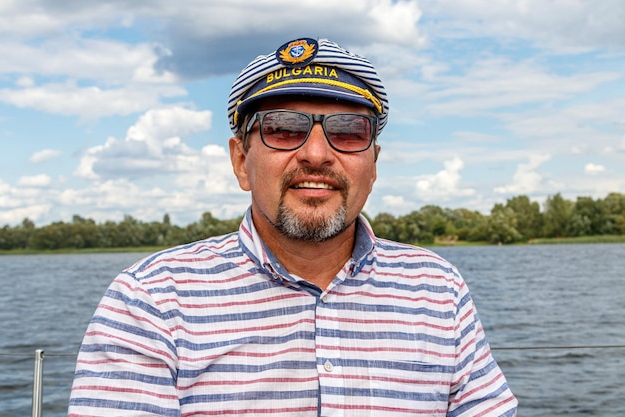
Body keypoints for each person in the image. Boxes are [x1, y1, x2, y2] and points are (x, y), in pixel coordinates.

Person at [68, 37, 517, 416]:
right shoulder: (151, 301)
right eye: (284, 130)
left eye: (348, 131)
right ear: (241, 162)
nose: (317, 154)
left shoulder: (437, 289)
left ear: (373, 165)